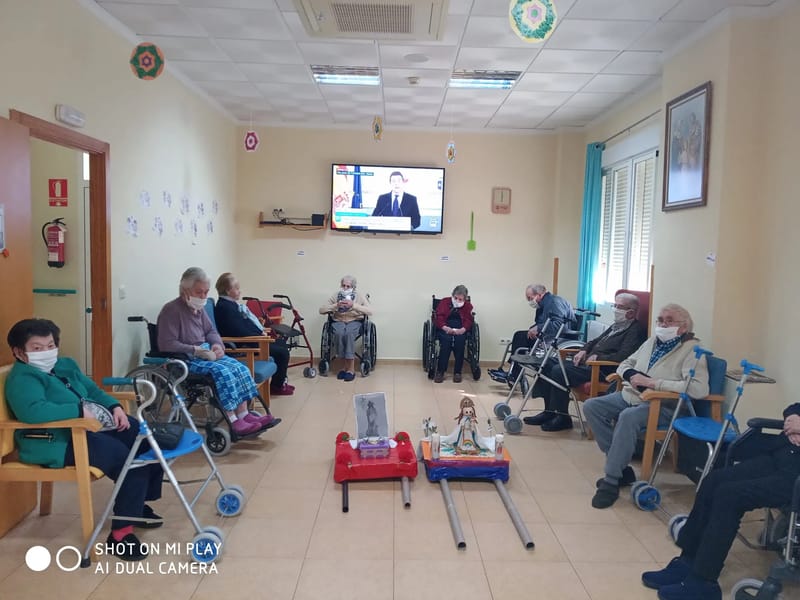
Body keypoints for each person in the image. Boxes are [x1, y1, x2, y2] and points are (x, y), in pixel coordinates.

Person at [5, 318, 163, 562]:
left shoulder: (65, 365)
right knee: (125, 458)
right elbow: (33, 411)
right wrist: (77, 411)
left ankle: (136, 505)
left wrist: (114, 407)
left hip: (87, 428)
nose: (46, 352)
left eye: (50, 345)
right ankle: (120, 535)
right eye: (37, 348)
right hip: (54, 442)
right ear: (18, 352)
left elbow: (92, 391)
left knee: (144, 439)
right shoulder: (23, 378)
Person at [640, 403, 800, 600]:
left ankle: (704, 580)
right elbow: (794, 407)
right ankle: (688, 560)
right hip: (782, 456)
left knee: (730, 495)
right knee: (713, 480)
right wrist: (793, 419)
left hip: (794, 477)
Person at [583, 303, 709, 509]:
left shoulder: (693, 351)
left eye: (669, 320)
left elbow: (699, 389)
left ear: (683, 327)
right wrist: (631, 375)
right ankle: (622, 469)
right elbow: (625, 363)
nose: (662, 324)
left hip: (663, 405)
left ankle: (611, 480)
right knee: (592, 407)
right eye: (660, 319)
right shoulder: (652, 341)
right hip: (631, 395)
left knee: (627, 417)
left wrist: (653, 383)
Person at [157, 267, 281, 437]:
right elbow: (167, 344)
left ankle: (244, 414)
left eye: (206, 292)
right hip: (185, 359)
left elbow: (211, 332)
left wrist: (217, 345)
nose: (203, 297)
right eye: (198, 292)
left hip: (206, 354)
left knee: (239, 368)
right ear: (185, 290)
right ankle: (233, 420)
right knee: (223, 372)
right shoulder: (171, 310)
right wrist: (195, 350)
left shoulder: (198, 310)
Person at [523, 292, 647, 432]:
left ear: (631, 312)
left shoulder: (635, 331)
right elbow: (594, 341)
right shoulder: (616, 325)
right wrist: (583, 350)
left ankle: (563, 417)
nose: (615, 309)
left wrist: (598, 359)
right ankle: (549, 411)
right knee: (545, 363)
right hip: (588, 364)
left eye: (620, 306)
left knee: (559, 370)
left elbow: (625, 356)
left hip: (602, 370)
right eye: (615, 305)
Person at [213, 272, 294, 396]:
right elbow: (238, 331)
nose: (240, 291)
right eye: (237, 288)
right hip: (243, 346)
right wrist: (259, 336)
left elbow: (245, 325)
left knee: (282, 343)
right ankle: (277, 387)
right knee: (282, 353)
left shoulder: (230, 305)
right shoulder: (225, 307)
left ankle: (279, 382)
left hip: (249, 340)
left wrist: (260, 332)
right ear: (228, 291)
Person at [488, 283, 576, 383]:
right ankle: (513, 372)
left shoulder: (554, 302)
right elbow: (540, 323)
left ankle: (514, 374)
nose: (530, 301)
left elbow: (559, 324)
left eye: (530, 298)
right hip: (547, 335)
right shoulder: (543, 304)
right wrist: (533, 328)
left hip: (558, 338)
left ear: (539, 294)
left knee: (520, 337)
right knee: (519, 335)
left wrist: (538, 328)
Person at [319, 275, 372, 381]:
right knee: (339, 333)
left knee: (348, 334)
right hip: (338, 320)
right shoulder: (336, 296)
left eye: (348, 286)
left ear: (353, 287)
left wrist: (353, 305)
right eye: (343, 285)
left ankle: (350, 369)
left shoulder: (359, 296)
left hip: (354, 320)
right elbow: (321, 310)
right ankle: (343, 368)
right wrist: (335, 306)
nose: (345, 288)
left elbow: (370, 311)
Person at [433, 285, 474, 384]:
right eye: (455, 298)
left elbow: (469, 320)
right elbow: (438, 317)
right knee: (446, 343)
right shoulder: (444, 302)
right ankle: (440, 371)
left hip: (460, 328)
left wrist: (463, 329)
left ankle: (457, 372)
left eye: (460, 299)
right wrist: (445, 328)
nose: (457, 300)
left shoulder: (468, 306)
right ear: (452, 295)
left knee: (460, 343)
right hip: (445, 327)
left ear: (465, 299)